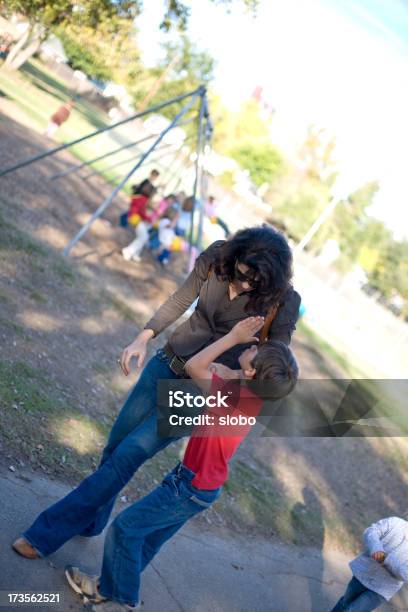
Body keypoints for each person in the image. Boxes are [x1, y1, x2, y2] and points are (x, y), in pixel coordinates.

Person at [12, 226, 301, 561]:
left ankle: (45, 535)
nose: (246, 284)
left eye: (256, 282)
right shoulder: (217, 256)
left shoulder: (284, 300)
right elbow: (181, 298)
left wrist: (236, 373)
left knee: (130, 453)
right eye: (243, 274)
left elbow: (274, 360)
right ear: (235, 256)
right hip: (167, 361)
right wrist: (143, 337)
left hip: (201, 388)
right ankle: (90, 521)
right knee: (116, 448)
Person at [63, 316, 298, 610]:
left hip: (189, 486)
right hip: (200, 486)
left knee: (125, 528)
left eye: (256, 351)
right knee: (146, 540)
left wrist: (233, 338)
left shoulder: (232, 396)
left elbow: (193, 367)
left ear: (251, 371)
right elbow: (225, 373)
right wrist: (234, 369)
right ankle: (105, 588)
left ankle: (121, 601)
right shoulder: (250, 396)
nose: (255, 345)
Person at [331, 516, 408, 611]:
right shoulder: (395, 523)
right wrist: (376, 548)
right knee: (345, 602)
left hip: (382, 589)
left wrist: (386, 559)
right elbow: (372, 531)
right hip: (364, 573)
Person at [121, 183, 156, 262]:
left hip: (133, 217)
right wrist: (149, 219)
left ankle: (135, 253)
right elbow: (141, 212)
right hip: (136, 219)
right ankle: (128, 251)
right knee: (144, 237)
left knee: (144, 237)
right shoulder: (144, 200)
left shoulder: (140, 197)